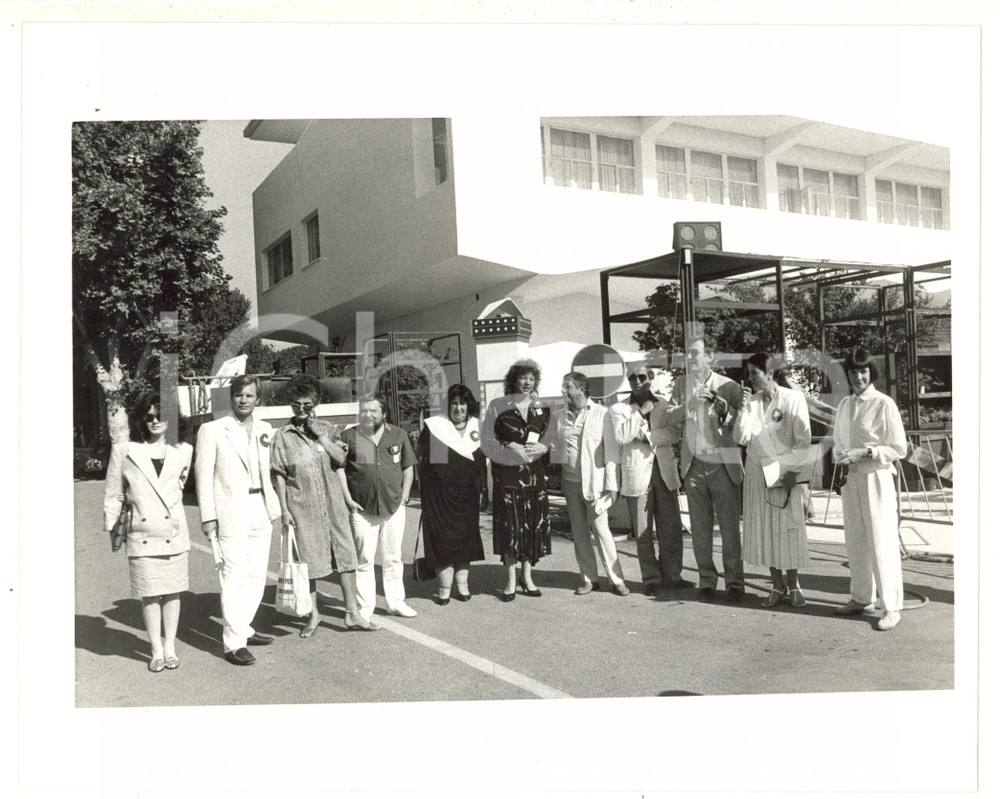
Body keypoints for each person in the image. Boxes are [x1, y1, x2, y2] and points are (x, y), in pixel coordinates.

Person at [195, 374, 281, 666]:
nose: (244, 400)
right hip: (230, 510)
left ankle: (243, 628)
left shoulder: (266, 429)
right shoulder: (213, 429)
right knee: (233, 577)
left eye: (249, 395)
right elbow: (203, 476)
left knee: (256, 574)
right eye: (239, 395)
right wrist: (208, 517)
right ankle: (233, 644)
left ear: (259, 399)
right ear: (231, 398)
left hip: (261, 507)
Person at [103, 393, 192, 672]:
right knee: (150, 593)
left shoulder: (183, 451)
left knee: (173, 592)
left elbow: (178, 487)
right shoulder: (125, 450)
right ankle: (156, 650)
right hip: (141, 533)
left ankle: (170, 647)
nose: (154, 421)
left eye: (160, 415)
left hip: (174, 531)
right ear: (142, 419)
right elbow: (113, 493)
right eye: (149, 416)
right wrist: (112, 528)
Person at [271, 374, 361, 637]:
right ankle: (314, 614)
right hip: (303, 506)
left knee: (346, 556)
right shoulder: (282, 437)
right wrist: (285, 510)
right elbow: (278, 474)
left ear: (316, 403)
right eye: (296, 405)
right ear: (290, 404)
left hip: (333, 504)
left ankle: (352, 613)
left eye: (307, 405)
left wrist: (321, 436)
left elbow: (341, 459)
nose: (301, 410)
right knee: (307, 563)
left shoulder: (329, 428)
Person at [831, 347, 908, 631]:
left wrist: (866, 452)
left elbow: (899, 447)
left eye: (863, 371)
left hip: (876, 477)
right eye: (853, 372)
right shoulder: (844, 405)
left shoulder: (883, 403)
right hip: (851, 478)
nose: (858, 377)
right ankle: (862, 598)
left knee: (881, 540)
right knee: (856, 540)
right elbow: (839, 441)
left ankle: (892, 607)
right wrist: (841, 455)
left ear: (870, 372)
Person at [666, 334, 745, 604]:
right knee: (700, 529)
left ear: (710, 357)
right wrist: (691, 403)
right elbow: (668, 417)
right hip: (694, 463)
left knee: (729, 528)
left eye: (696, 353)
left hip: (723, 463)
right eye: (688, 353)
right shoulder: (681, 384)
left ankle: (734, 583)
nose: (690, 358)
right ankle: (707, 581)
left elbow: (742, 427)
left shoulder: (730, 386)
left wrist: (726, 413)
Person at [734, 353, 814, 609]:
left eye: (754, 373)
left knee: (787, 528)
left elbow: (803, 440)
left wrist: (792, 472)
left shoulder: (792, 398)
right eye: (748, 373)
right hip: (757, 470)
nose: (750, 378)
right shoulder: (752, 402)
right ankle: (776, 585)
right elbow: (741, 437)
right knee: (765, 528)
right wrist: (743, 408)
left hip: (784, 471)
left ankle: (794, 585)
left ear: (769, 373)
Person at [612, 365, 693, 595]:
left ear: (650, 378)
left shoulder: (664, 404)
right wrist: (640, 413)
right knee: (644, 532)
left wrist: (646, 437)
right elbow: (622, 436)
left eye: (641, 377)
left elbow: (676, 432)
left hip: (664, 472)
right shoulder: (619, 408)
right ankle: (651, 578)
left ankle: (673, 576)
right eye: (631, 378)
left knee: (671, 529)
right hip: (637, 475)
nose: (636, 381)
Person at [341, 393, 418, 623]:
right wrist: (347, 499)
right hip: (361, 509)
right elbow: (339, 471)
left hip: (393, 507)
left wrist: (404, 495)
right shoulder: (349, 436)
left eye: (373, 410)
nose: (368, 414)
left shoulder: (398, 435)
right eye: (364, 410)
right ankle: (365, 607)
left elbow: (408, 468)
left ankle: (396, 603)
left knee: (393, 557)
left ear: (384, 413)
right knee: (364, 559)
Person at [481, 359, 551, 601]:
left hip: (534, 476)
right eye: (523, 378)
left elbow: (552, 439)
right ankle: (511, 578)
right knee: (511, 526)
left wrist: (544, 447)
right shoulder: (497, 405)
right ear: (513, 380)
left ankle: (527, 576)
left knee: (531, 525)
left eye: (532, 379)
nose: (527, 383)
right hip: (508, 476)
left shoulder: (541, 407)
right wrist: (509, 444)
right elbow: (486, 440)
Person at [553, 372, 628, 596]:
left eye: (568, 387)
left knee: (601, 530)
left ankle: (617, 579)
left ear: (582, 389)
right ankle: (589, 578)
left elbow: (612, 453)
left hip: (596, 483)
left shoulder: (602, 414)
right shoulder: (559, 416)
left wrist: (612, 486)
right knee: (579, 532)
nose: (563, 391)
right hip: (570, 482)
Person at [416, 384, 488, 604]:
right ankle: (444, 587)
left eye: (463, 403)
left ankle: (463, 585)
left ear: (469, 406)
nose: (459, 408)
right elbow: (425, 461)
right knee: (442, 540)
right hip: (439, 497)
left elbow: (482, 464)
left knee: (465, 539)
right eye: (455, 403)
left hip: (468, 496)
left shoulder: (479, 427)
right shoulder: (437, 427)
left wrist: (483, 489)